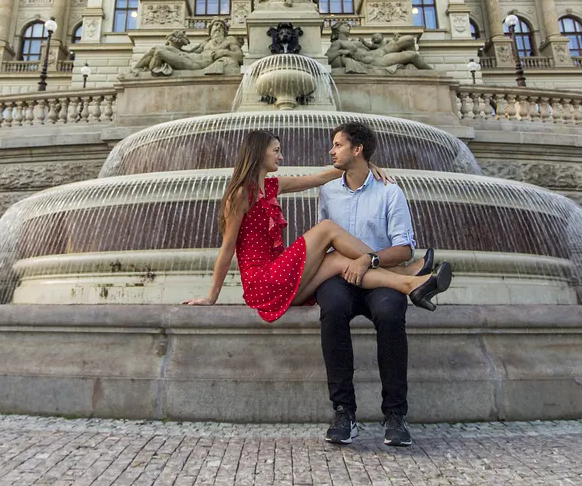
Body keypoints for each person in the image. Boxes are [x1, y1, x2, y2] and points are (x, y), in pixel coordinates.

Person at [183, 130, 452, 435]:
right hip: (264, 284)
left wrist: (363, 165)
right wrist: (211, 296)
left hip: (281, 278)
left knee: (337, 258)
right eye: (276, 151)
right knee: (327, 230)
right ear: (259, 153)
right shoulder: (239, 195)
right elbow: (227, 248)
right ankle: (405, 274)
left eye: (279, 150)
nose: (281, 156)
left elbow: (318, 177)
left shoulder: (273, 186)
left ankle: (407, 284)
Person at [316, 122, 430, 447]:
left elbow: (404, 247)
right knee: (333, 309)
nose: (331, 150)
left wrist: (371, 259)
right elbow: (324, 243)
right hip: (341, 278)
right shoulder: (328, 191)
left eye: (337, 145)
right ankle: (343, 412)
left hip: (378, 277)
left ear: (357, 149)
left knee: (391, 312)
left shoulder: (389, 191)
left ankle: (395, 415)